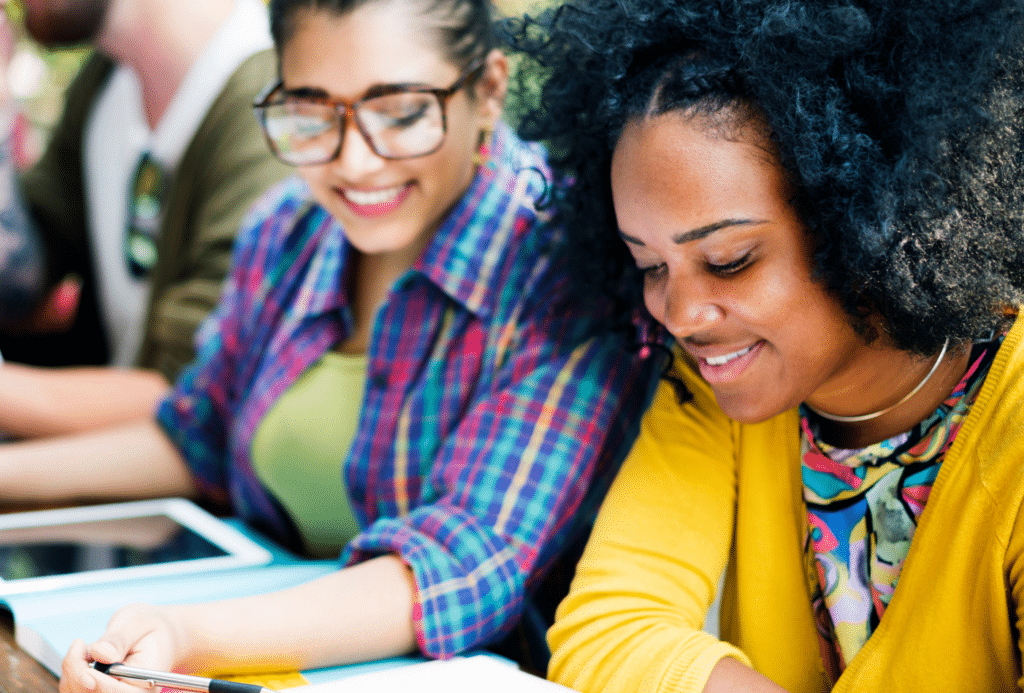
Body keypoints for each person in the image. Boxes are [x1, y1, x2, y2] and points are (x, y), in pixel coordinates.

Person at [34, 0, 655, 686]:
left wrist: (188, 636)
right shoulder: (287, 228)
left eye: (400, 112)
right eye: (312, 111)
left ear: (487, 91)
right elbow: (196, 436)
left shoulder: (568, 266)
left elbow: (460, 562)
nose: (355, 162)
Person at [510, 0, 1024, 690]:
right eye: (650, 267)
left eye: (729, 260)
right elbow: (606, 626)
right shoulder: (711, 387)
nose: (682, 315)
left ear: (871, 219)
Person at [0, 0, 291, 439]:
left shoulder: (271, 106)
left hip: (191, 487)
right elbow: (18, 281)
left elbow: (191, 395)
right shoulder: (107, 80)